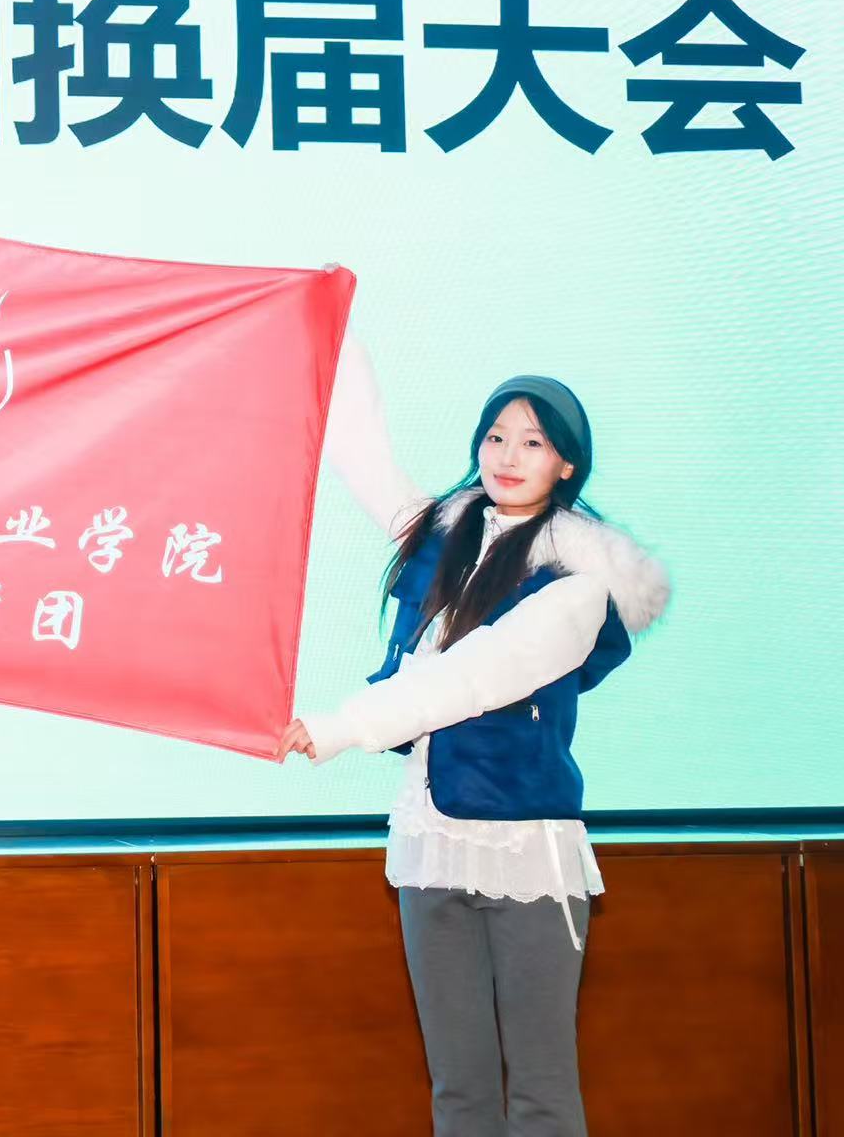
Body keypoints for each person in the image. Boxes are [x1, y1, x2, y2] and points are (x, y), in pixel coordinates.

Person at [278, 334, 670, 1135]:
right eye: (495, 437)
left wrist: (341, 726)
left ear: (566, 465)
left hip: (527, 852)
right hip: (430, 844)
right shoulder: (447, 535)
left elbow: (472, 675)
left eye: (532, 442)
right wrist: (331, 334)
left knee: (540, 1093)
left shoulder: (579, 581)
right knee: (458, 1091)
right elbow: (361, 455)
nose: (507, 456)